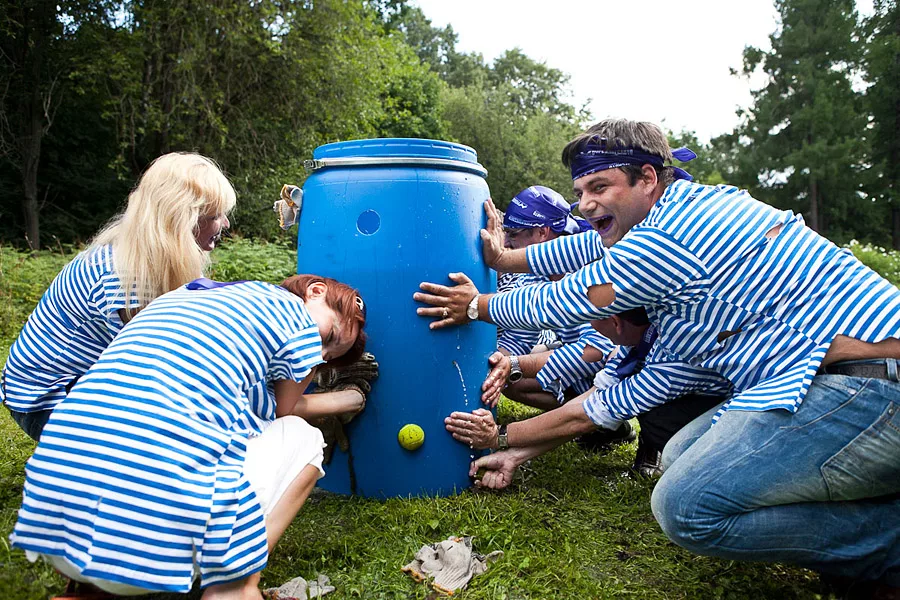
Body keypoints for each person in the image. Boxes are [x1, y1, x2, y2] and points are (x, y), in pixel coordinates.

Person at [414, 118, 900, 592]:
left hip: (870, 382)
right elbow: (581, 262)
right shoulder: (678, 266)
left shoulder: (674, 237)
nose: (585, 204)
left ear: (648, 178)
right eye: (580, 191)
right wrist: (503, 260)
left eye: (599, 186)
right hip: (830, 380)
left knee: (685, 507)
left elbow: (568, 298)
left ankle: (883, 544)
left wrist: (476, 306)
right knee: (679, 455)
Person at [11, 274, 368, 599]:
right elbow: (283, 410)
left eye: (325, 359)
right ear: (315, 292)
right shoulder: (295, 317)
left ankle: (89, 588)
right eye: (329, 338)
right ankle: (235, 586)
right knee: (303, 439)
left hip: (53, 532)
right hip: (147, 555)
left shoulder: (184, 298)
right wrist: (348, 397)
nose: (317, 356)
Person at [2, 152, 235, 441]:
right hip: (44, 402)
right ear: (181, 221)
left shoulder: (146, 259)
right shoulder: (126, 279)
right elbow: (163, 366)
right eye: (215, 216)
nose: (225, 224)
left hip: (71, 386)